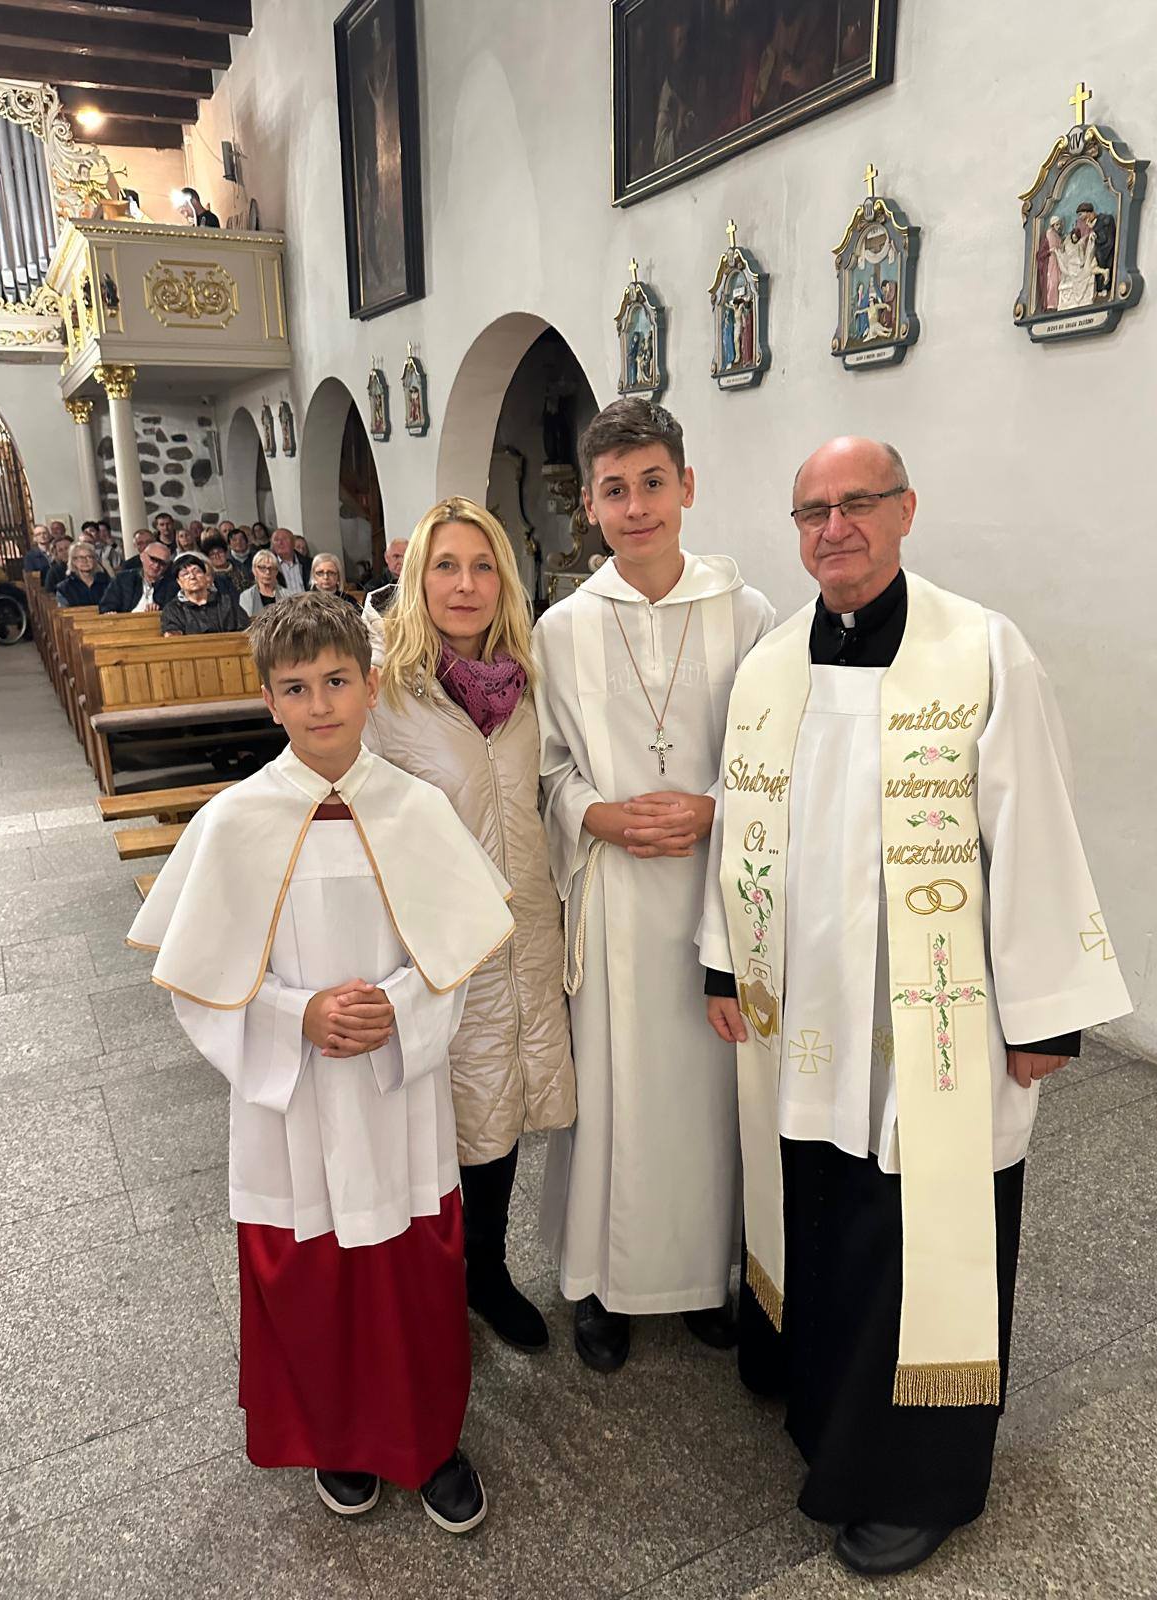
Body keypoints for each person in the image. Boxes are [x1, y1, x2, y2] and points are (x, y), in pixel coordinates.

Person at [697, 436, 1133, 1578]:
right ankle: (823, 1412)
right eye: (812, 511)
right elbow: (740, 822)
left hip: (933, 1016)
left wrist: (1043, 1012)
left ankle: (915, 1479)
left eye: (859, 503)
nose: (834, 527)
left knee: (918, 1229)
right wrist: (723, 962)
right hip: (807, 1012)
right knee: (824, 1207)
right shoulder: (772, 665)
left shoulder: (982, 650)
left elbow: (1034, 827)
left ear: (905, 510)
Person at [127, 591, 512, 1530]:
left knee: (415, 1272)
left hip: (396, 1091)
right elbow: (197, 982)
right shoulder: (235, 821)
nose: (319, 704)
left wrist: (401, 1007)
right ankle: (336, 1438)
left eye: (337, 681)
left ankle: (430, 1440)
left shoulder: (416, 810)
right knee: (308, 1273)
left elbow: (457, 957)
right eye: (296, 688)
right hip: (290, 1099)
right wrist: (295, 1016)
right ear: (269, 700)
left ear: (371, 686)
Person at [532, 397, 775, 1372]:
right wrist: (596, 814)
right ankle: (604, 1282)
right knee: (617, 1092)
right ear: (590, 505)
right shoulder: (561, 628)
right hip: (615, 898)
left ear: (688, 487)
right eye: (615, 490)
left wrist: (715, 806)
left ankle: (704, 1274)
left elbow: (778, 755)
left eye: (653, 484)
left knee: (713, 1094)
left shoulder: (748, 614)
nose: (636, 507)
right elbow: (545, 767)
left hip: (720, 896)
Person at [365, 498, 575, 1353]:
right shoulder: (386, 690)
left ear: (505, 581)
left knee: (498, 1110)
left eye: (482, 566)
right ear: (418, 578)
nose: (465, 585)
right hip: (431, 943)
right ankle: (425, 1287)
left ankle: (486, 1272)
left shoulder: (528, 686)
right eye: (446, 566)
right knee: (432, 1117)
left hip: (524, 930)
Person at [161, 551, 243, 635]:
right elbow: (173, 637)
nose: (192, 577)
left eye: (196, 571)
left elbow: (245, 629)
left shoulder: (226, 602)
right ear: (179, 582)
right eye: (185, 574)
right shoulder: (173, 610)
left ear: (205, 575)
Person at [99, 536, 176, 613]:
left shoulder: (172, 585)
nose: (156, 565)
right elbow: (106, 607)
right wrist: (111, 613)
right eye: (153, 559)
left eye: (162, 563)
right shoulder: (123, 579)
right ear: (142, 557)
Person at [55, 541, 110, 608]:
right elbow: (64, 612)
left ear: (94, 560)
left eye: (89, 557)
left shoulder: (108, 583)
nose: (85, 561)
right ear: (73, 561)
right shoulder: (64, 588)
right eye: (80, 557)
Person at [365, 537, 408, 613]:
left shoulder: (420, 583)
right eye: (396, 556)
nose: (401, 561)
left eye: (406, 556)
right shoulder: (373, 587)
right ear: (386, 558)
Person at [240, 549, 284, 620]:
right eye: (262, 568)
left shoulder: (287, 594)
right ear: (254, 570)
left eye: (271, 568)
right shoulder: (246, 597)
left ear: (276, 571)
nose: (267, 572)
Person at [200, 531, 239, 596]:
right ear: (208, 558)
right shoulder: (208, 577)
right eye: (212, 554)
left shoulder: (239, 568)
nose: (217, 556)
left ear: (226, 553)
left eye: (220, 552)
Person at [272, 527, 309, 593]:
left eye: (284, 539)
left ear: (293, 542)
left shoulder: (308, 563)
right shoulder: (269, 566)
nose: (280, 543)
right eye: (276, 540)